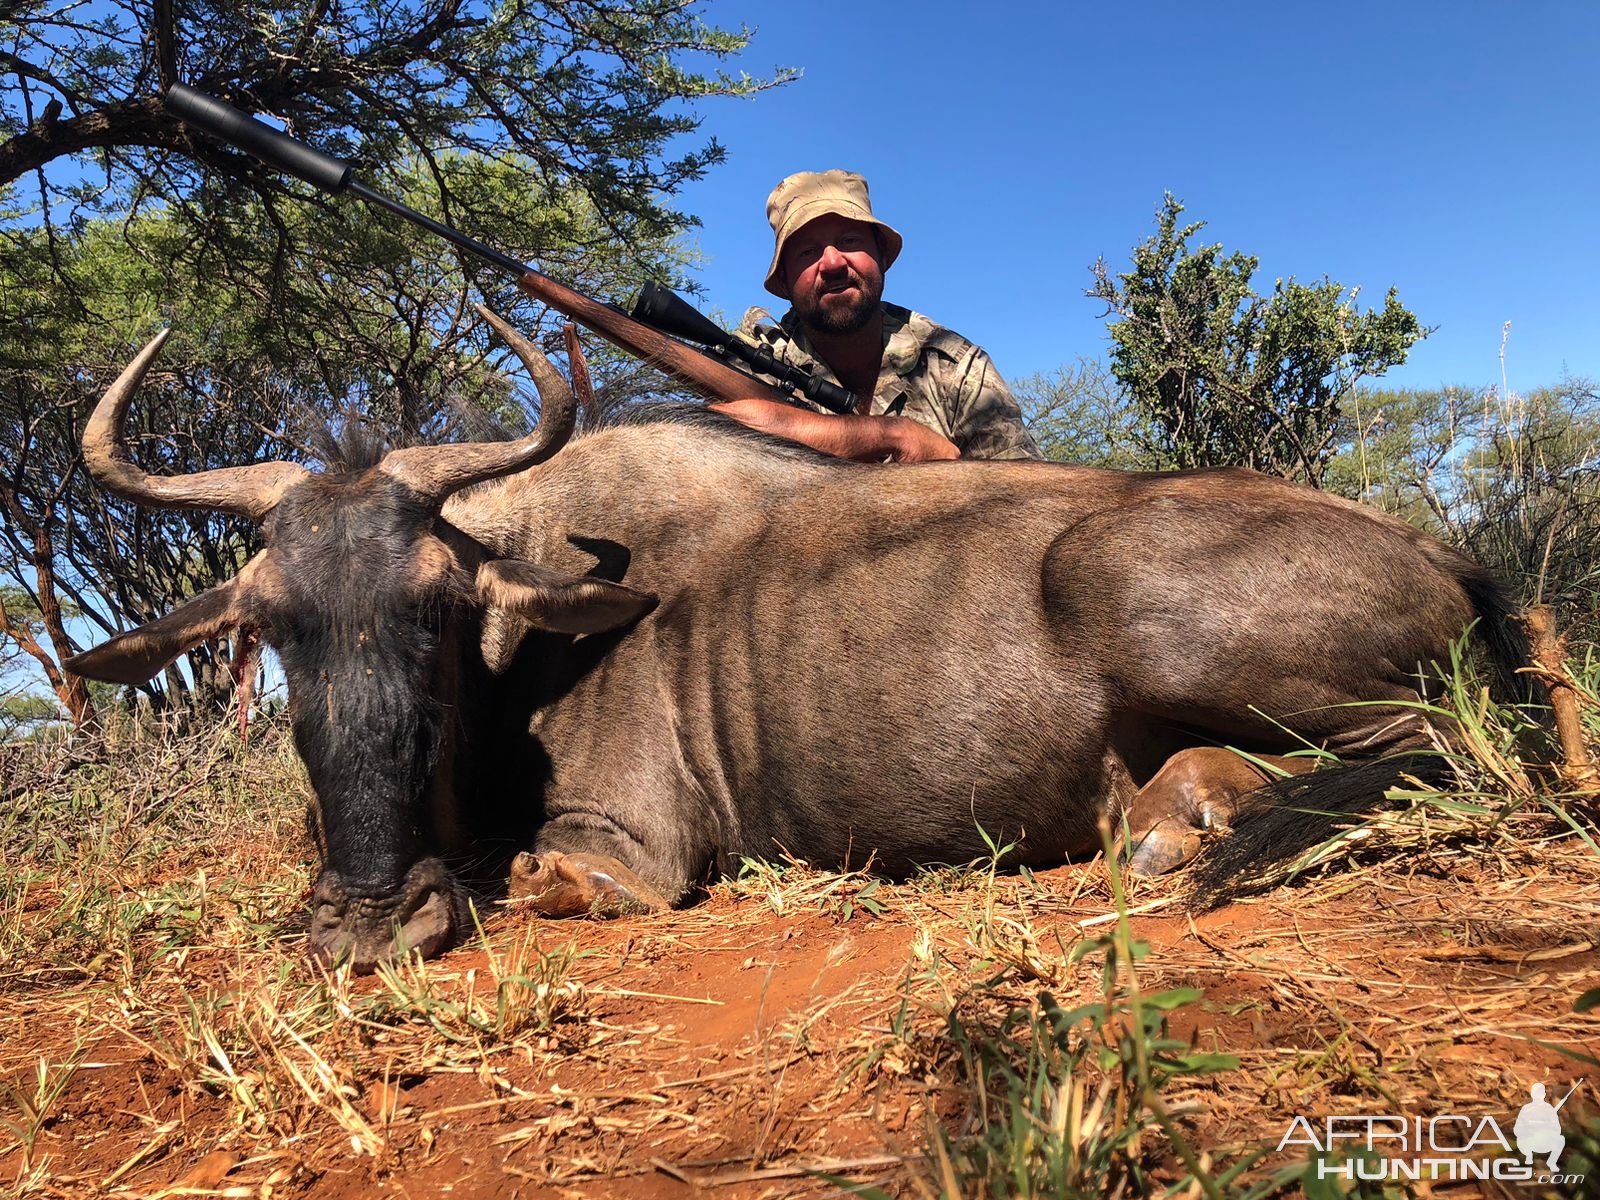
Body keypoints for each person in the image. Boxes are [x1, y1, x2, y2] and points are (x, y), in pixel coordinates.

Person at [710, 170, 1044, 462]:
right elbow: (714, 431)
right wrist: (889, 435)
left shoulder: (956, 369)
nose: (833, 263)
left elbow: (1029, 501)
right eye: (808, 252)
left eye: (850, 240)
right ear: (784, 279)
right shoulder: (757, 359)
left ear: (882, 256)